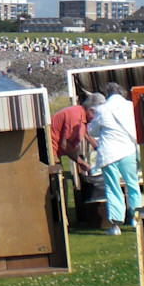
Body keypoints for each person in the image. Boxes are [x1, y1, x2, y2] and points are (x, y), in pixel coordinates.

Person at [87, 82, 143, 235]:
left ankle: (116, 225)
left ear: (107, 94)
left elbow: (93, 130)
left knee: (113, 188)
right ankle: (136, 219)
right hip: (127, 150)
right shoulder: (130, 106)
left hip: (109, 153)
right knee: (133, 185)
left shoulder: (102, 109)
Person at [52, 94, 104, 223]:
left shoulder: (82, 116)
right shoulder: (75, 116)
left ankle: (64, 219)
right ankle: (61, 221)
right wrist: (81, 163)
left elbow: (85, 132)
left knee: (62, 185)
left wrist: (98, 147)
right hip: (52, 153)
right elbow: (65, 145)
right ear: (91, 110)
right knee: (59, 185)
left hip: (57, 152)